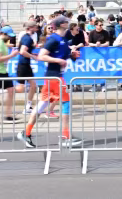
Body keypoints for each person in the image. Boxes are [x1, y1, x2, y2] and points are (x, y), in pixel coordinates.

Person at [17, 16, 83, 148]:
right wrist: (59, 61)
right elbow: (42, 56)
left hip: (54, 77)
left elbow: (58, 55)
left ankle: (26, 133)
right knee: (65, 104)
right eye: (66, 22)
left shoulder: (63, 39)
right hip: (54, 77)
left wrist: (71, 56)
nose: (68, 23)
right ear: (62, 24)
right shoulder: (53, 39)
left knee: (42, 106)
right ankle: (65, 137)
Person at [16, 20, 39, 115]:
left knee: (33, 86)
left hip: (25, 64)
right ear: (30, 28)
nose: (36, 29)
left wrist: (32, 54)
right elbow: (22, 51)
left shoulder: (27, 38)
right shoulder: (27, 38)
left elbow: (24, 51)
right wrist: (33, 56)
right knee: (20, 88)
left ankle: (28, 106)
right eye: (35, 27)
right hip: (23, 64)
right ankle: (3, 90)